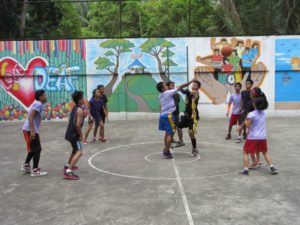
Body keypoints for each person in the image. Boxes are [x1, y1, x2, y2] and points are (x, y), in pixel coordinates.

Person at [238, 94, 279, 175]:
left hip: (253, 137)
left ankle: (246, 170)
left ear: (255, 104)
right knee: (265, 152)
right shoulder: (263, 113)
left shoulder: (251, 114)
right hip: (262, 137)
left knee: (246, 152)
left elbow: (248, 126)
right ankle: (272, 167)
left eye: (253, 102)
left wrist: (246, 121)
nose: (252, 102)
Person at [157, 79, 197, 159]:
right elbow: (181, 86)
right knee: (170, 134)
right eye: (165, 85)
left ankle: (166, 149)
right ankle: (167, 152)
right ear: (162, 88)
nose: (166, 86)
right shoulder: (167, 93)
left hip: (163, 115)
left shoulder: (161, 95)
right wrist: (191, 81)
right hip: (168, 115)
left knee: (167, 133)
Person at [21, 90, 48, 177]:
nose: (46, 96)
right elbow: (31, 117)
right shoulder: (38, 104)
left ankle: (26, 165)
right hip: (30, 130)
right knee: (37, 149)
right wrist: (32, 131)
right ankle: (35, 170)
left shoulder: (37, 103)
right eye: (44, 95)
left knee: (33, 148)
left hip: (28, 129)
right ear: (40, 97)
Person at [64, 91, 85, 180]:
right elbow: (77, 125)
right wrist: (81, 135)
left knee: (74, 150)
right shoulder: (80, 110)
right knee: (79, 152)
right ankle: (68, 171)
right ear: (79, 100)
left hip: (69, 132)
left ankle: (67, 166)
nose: (84, 99)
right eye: (82, 98)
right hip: (74, 134)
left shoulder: (75, 108)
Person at [177, 80, 202, 157]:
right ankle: (181, 141)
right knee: (178, 127)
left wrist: (181, 88)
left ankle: (194, 149)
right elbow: (181, 88)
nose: (193, 85)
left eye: (195, 84)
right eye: (193, 84)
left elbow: (183, 90)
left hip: (193, 117)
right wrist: (190, 82)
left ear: (198, 87)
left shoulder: (195, 92)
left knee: (191, 133)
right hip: (186, 115)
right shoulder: (189, 92)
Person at [166, 81, 183, 147]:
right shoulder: (167, 94)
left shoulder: (176, 94)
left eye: (173, 85)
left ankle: (177, 140)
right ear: (168, 87)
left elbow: (176, 103)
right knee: (170, 128)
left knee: (177, 127)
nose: (173, 87)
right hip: (170, 114)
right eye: (171, 85)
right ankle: (169, 142)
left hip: (176, 113)